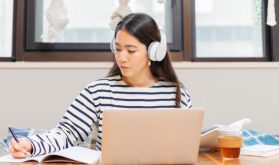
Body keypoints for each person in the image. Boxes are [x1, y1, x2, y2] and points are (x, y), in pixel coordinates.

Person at [9, 13, 192, 158]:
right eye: (118, 49)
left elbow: (187, 145)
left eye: (131, 50)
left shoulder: (177, 94)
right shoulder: (98, 91)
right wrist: (31, 144)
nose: (122, 57)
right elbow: (67, 133)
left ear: (154, 52)